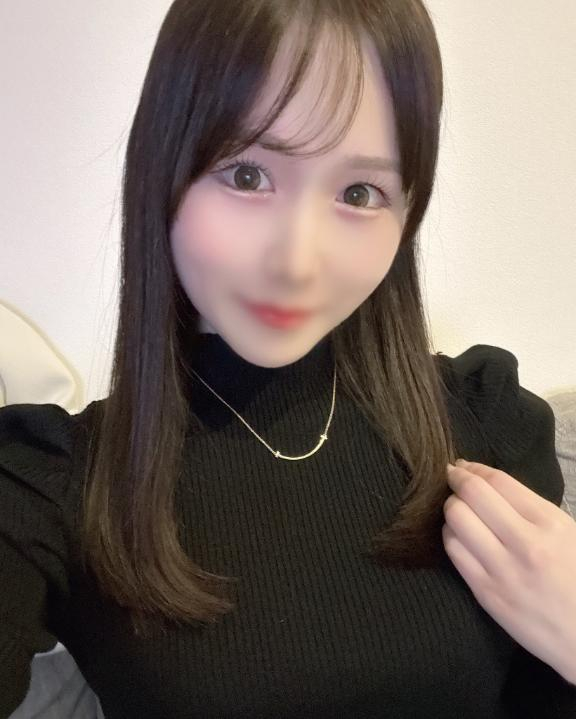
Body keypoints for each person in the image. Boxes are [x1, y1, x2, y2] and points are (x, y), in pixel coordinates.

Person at [1, 1, 575, 717]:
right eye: (246, 175)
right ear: (163, 170)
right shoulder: (54, 484)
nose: (298, 262)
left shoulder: (489, 421)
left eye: (359, 193)